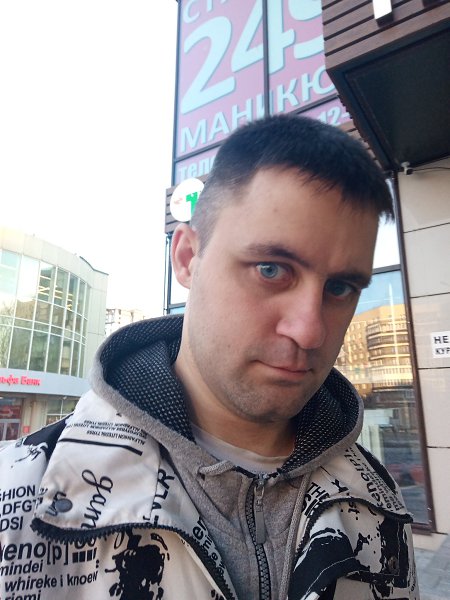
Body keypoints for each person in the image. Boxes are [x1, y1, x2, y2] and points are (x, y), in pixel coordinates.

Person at [0, 114, 418, 599]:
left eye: (341, 288)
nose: (309, 330)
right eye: (271, 269)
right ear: (186, 257)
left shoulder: (379, 503)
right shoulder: (18, 497)